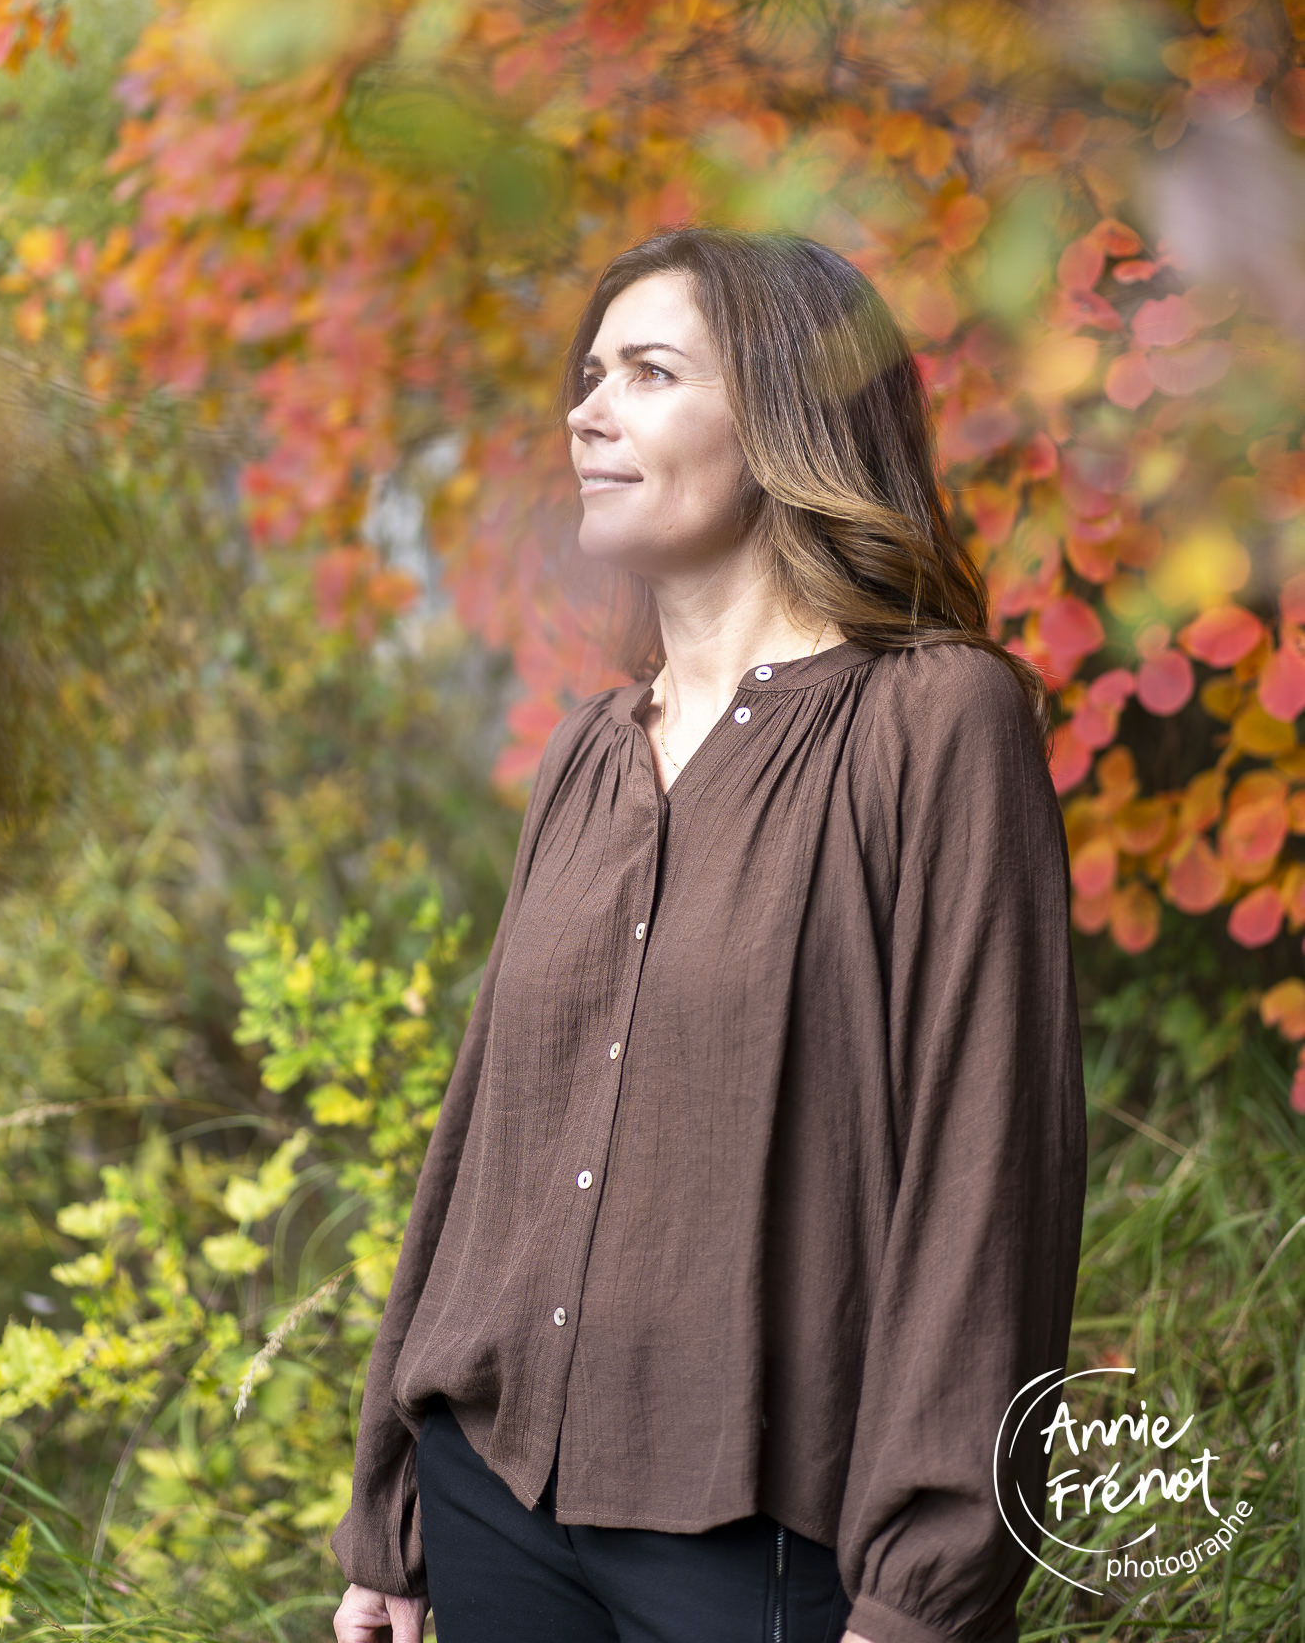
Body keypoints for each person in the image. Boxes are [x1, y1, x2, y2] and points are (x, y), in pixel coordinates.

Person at [331, 226, 1089, 1643]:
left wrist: (925, 1586)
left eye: (648, 371)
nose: (585, 409)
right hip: (494, 1502)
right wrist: (394, 1515)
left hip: (762, 1542)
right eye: (587, 373)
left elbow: (989, 1165)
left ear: (786, 423)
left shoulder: (932, 720)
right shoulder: (587, 749)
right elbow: (484, 1136)